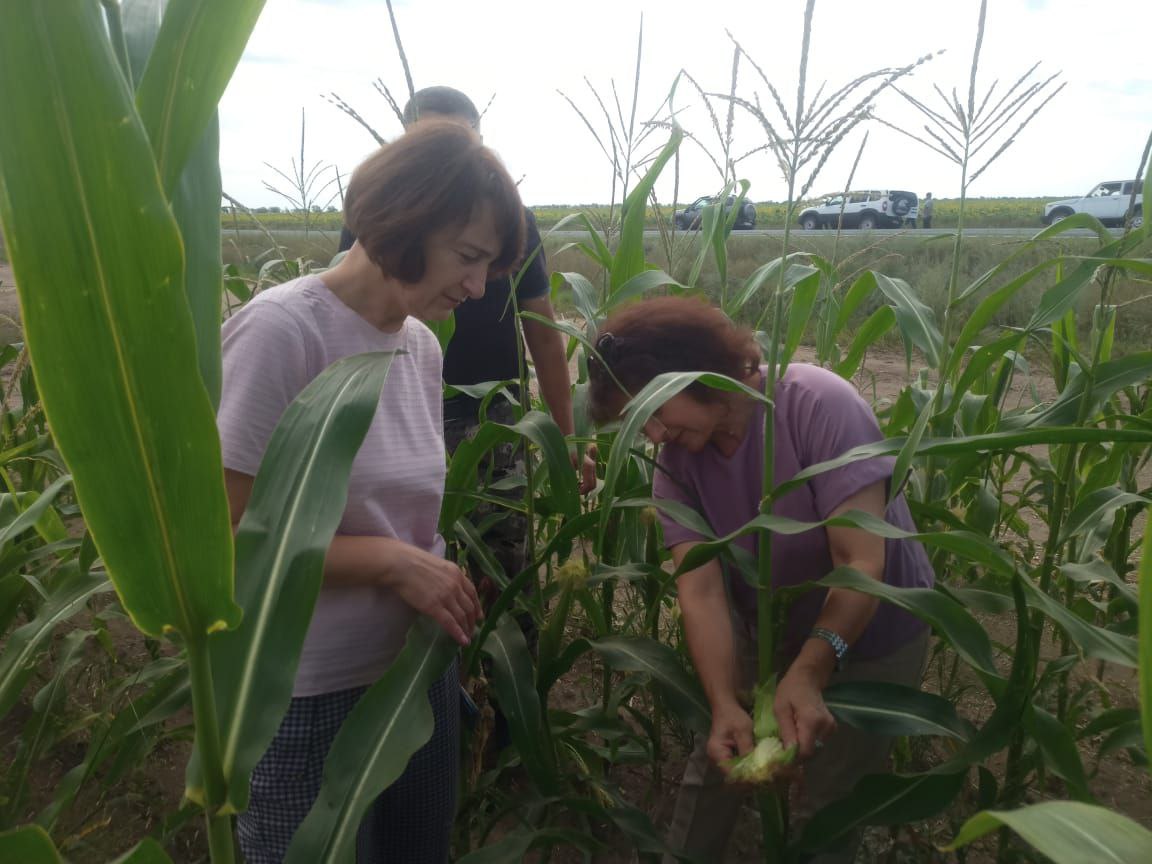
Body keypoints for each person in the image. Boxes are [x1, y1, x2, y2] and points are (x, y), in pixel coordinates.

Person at [218, 119, 525, 863]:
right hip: (302, 691)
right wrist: (393, 563)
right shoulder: (283, 333)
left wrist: (429, 573)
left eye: (489, 266)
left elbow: (405, 506)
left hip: (411, 671)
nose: (479, 287)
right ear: (404, 222)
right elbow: (230, 535)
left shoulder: (418, 343)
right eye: (469, 257)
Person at [586, 297, 935, 864]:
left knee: (827, 803)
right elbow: (699, 591)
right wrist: (724, 702)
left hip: (871, 631)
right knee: (716, 765)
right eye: (635, 421)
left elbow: (861, 562)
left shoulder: (818, 404)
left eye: (655, 409)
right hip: (767, 627)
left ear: (699, 370)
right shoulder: (676, 464)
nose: (652, 434)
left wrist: (813, 667)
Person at [339, 86, 593, 613]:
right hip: (397, 413)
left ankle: (504, 687)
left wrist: (565, 436)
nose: (476, 284)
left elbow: (543, 333)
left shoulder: (505, 220)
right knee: (411, 571)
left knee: (502, 575)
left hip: (493, 418)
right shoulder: (370, 228)